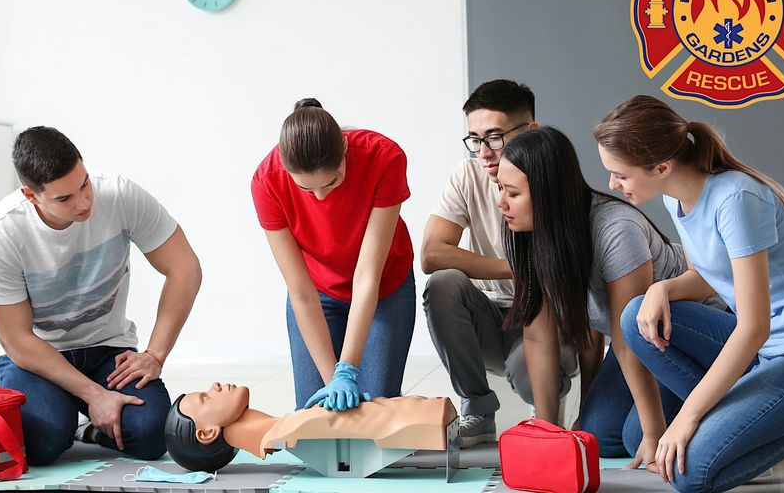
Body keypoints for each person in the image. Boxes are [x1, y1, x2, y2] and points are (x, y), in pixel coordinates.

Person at [594, 95, 784, 491]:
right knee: (635, 317)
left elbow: (753, 329)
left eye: (620, 175)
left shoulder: (736, 199)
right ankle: (739, 419)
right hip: (763, 354)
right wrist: (662, 287)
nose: (612, 184)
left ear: (661, 166)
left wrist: (687, 418)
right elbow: (709, 276)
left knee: (686, 471)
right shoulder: (675, 196)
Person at [496, 127, 726, 465]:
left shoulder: (616, 229)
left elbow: (627, 338)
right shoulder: (530, 232)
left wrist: (652, 433)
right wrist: (548, 434)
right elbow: (539, 336)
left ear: (548, 195)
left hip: (691, 330)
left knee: (637, 437)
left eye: (512, 193)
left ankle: (746, 400)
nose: (501, 201)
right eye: (500, 188)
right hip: (645, 336)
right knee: (597, 435)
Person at [0, 126, 202, 465]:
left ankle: (89, 429)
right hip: (38, 356)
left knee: (154, 433)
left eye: (84, 184)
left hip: (106, 349)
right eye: (64, 199)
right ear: (31, 195)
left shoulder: (120, 195)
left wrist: (155, 354)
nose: (84, 203)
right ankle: (67, 412)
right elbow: (17, 340)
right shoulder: (2, 233)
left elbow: (185, 268)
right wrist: (95, 395)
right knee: (42, 442)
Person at [421, 80, 577, 447]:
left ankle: (545, 415)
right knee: (443, 283)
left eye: (494, 136)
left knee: (529, 375)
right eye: (475, 139)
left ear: (530, 130)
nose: (484, 152)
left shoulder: (557, 179)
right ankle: (477, 408)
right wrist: (516, 272)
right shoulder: (468, 175)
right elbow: (431, 253)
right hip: (492, 316)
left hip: (550, 319)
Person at [251, 99, 414, 412]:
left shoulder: (384, 157)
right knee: (319, 417)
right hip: (318, 292)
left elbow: (368, 275)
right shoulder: (266, 181)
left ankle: (386, 387)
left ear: (344, 146)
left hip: (383, 288)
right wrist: (332, 383)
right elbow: (300, 292)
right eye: (307, 189)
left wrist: (347, 370)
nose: (322, 196)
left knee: (373, 414)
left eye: (332, 181)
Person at [165, 382, 455, 472]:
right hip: (427, 417)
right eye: (205, 397)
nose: (214, 386)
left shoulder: (294, 423)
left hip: (426, 413)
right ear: (207, 433)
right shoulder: (297, 428)